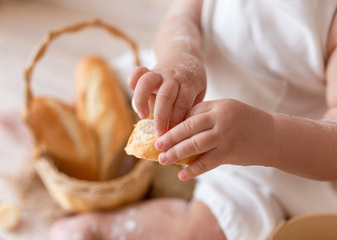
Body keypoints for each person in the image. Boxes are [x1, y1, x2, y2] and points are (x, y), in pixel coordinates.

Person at [49, 0, 337, 239]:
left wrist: (265, 135)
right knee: (118, 86)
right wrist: (179, 59)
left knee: (204, 229)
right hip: (189, 90)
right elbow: (181, 18)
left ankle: (102, 227)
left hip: (271, 158)